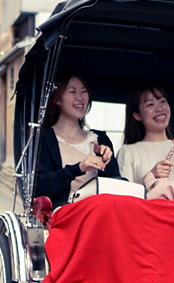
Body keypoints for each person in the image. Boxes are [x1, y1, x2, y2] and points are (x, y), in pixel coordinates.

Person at [33, 73, 120, 209]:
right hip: (65, 211)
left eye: (84, 91)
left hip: (100, 210)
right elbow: (38, 185)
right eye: (72, 91)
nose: (80, 98)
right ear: (57, 99)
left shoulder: (100, 139)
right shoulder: (44, 138)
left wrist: (107, 162)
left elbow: (115, 184)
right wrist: (79, 168)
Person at [118, 85, 174, 191]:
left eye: (162, 101)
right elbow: (123, 194)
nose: (159, 108)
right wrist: (150, 177)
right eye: (150, 104)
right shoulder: (128, 152)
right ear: (137, 115)